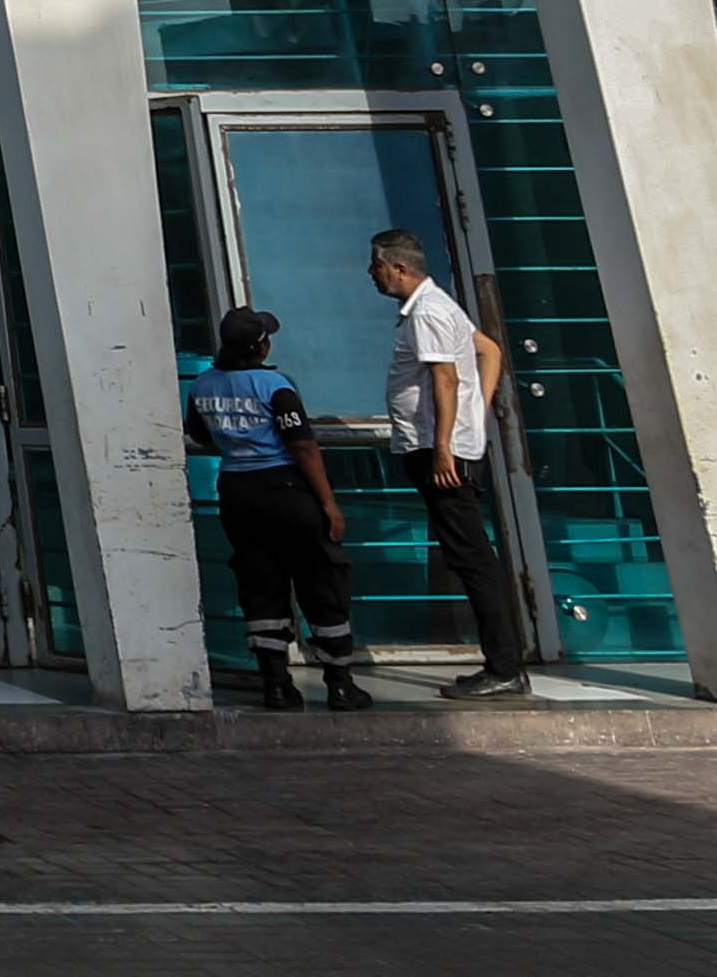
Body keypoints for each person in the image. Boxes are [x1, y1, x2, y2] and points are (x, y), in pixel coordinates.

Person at [181, 307, 370, 710]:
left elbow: (200, 434)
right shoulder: (275, 386)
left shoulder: (202, 385)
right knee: (321, 579)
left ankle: (276, 684)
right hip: (287, 488)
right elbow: (302, 446)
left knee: (260, 582)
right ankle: (339, 682)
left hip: (237, 491)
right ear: (260, 346)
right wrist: (329, 504)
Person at [371, 226, 532, 698]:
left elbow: (443, 378)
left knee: (472, 558)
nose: (371, 275)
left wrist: (446, 444)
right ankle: (502, 664)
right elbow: (490, 350)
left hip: (440, 454)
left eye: (376, 266)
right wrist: (474, 415)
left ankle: (504, 667)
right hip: (445, 447)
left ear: (398, 268)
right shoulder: (439, 307)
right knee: (467, 555)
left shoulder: (428, 312)